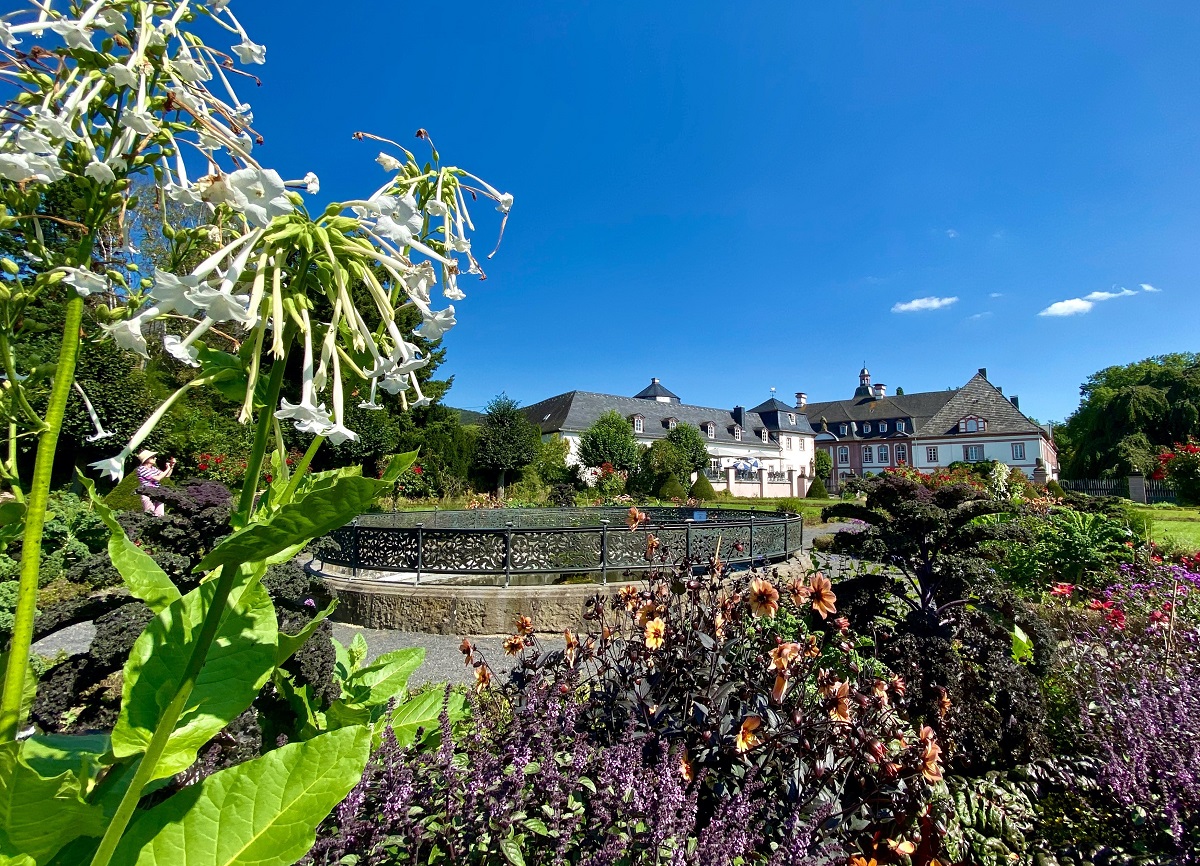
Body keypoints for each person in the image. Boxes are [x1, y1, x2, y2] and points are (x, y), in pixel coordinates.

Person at [136, 450, 175, 516]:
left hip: (157, 493)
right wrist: (168, 468)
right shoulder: (142, 469)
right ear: (147, 459)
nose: (155, 458)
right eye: (153, 457)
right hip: (148, 494)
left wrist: (171, 467)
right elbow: (158, 478)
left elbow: (166, 475)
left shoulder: (153, 469)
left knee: (160, 516)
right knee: (149, 515)